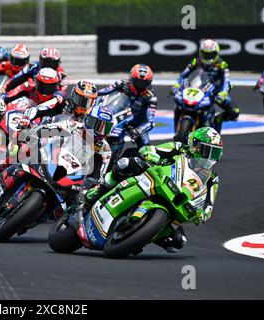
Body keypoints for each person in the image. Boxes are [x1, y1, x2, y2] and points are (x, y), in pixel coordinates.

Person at [84, 126, 222, 253]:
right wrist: (151, 154)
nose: (209, 157)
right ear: (194, 145)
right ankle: (99, 189)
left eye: (214, 153)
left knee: (177, 243)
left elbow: (209, 203)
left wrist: (204, 214)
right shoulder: (179, 149)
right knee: (125, 164)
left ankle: (140, 238)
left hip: (177, 200)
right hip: (155, 176)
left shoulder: (212, 178)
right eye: (206, 150)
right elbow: (151, 149)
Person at [170, 39, 240, 133]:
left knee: (234, 112)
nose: (207, 57)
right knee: (179, 103)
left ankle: (217, 120)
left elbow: (226, 80)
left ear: (216, 54)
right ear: (200, 53)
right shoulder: (196, 61)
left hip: (215, 91)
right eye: (205, 54)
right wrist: (176, 84)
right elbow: (183, 75)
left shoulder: (221, 64)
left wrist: (223, 92)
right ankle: (177, 128)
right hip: (198, 89)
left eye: (210, 55)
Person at [98, 63, 157, 147]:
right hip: (120, 118)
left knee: (145, 146)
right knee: (115, 138)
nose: (140, 86)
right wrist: (92, 94)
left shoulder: (151, 97)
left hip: (137, 123)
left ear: (149, 82)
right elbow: (104, 92)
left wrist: (139, 130)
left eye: (144, 83)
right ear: (131, 78)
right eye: (137, 82)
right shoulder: (122, 83)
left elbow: (151, 122)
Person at [18, 80, 98, 128]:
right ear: (73, 95)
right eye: (81, 100)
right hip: (47, 138)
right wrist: (26, 118)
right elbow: (37, 109)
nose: (83, 106)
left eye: (88, 102)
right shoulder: (61, 101)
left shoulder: (93, 115)